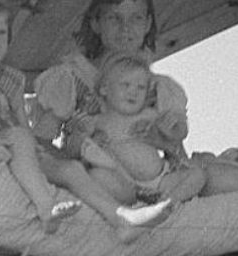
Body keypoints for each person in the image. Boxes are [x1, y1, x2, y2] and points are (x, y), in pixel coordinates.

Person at [0, 0, 169, 239]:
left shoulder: (11, 79)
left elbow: (22, 124)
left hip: (17, 150)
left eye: (0, 33)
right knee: (20, 138)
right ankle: (46, 207)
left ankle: (121, 219)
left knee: (72, 169)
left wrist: (41, 152)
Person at [33, 0, 238, 199]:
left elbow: (176, 152)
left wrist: (162, 141)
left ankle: (163, 201)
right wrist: (80, 148)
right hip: (101, 174)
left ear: (148, 24)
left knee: (236, 179)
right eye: (114, 18)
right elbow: (40, 142)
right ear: (96, 23)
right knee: (101, 181)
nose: (125, 28)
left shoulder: (158, 88)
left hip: (153, 176)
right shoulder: (71, 77)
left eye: (136, 19)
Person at [82, 52, 208, 204]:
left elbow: (179, 133)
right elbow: (79, 147)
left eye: (141, 87)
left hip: (161, 181)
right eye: (125, 85)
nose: (133, 92)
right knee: (98, 175)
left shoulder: (147, 115)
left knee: (197, 175)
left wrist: (166, 130)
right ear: (104, 89)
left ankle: (167, 203)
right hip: (126, 182)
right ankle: (135, 203)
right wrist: (92, 141)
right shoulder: (98, 121)